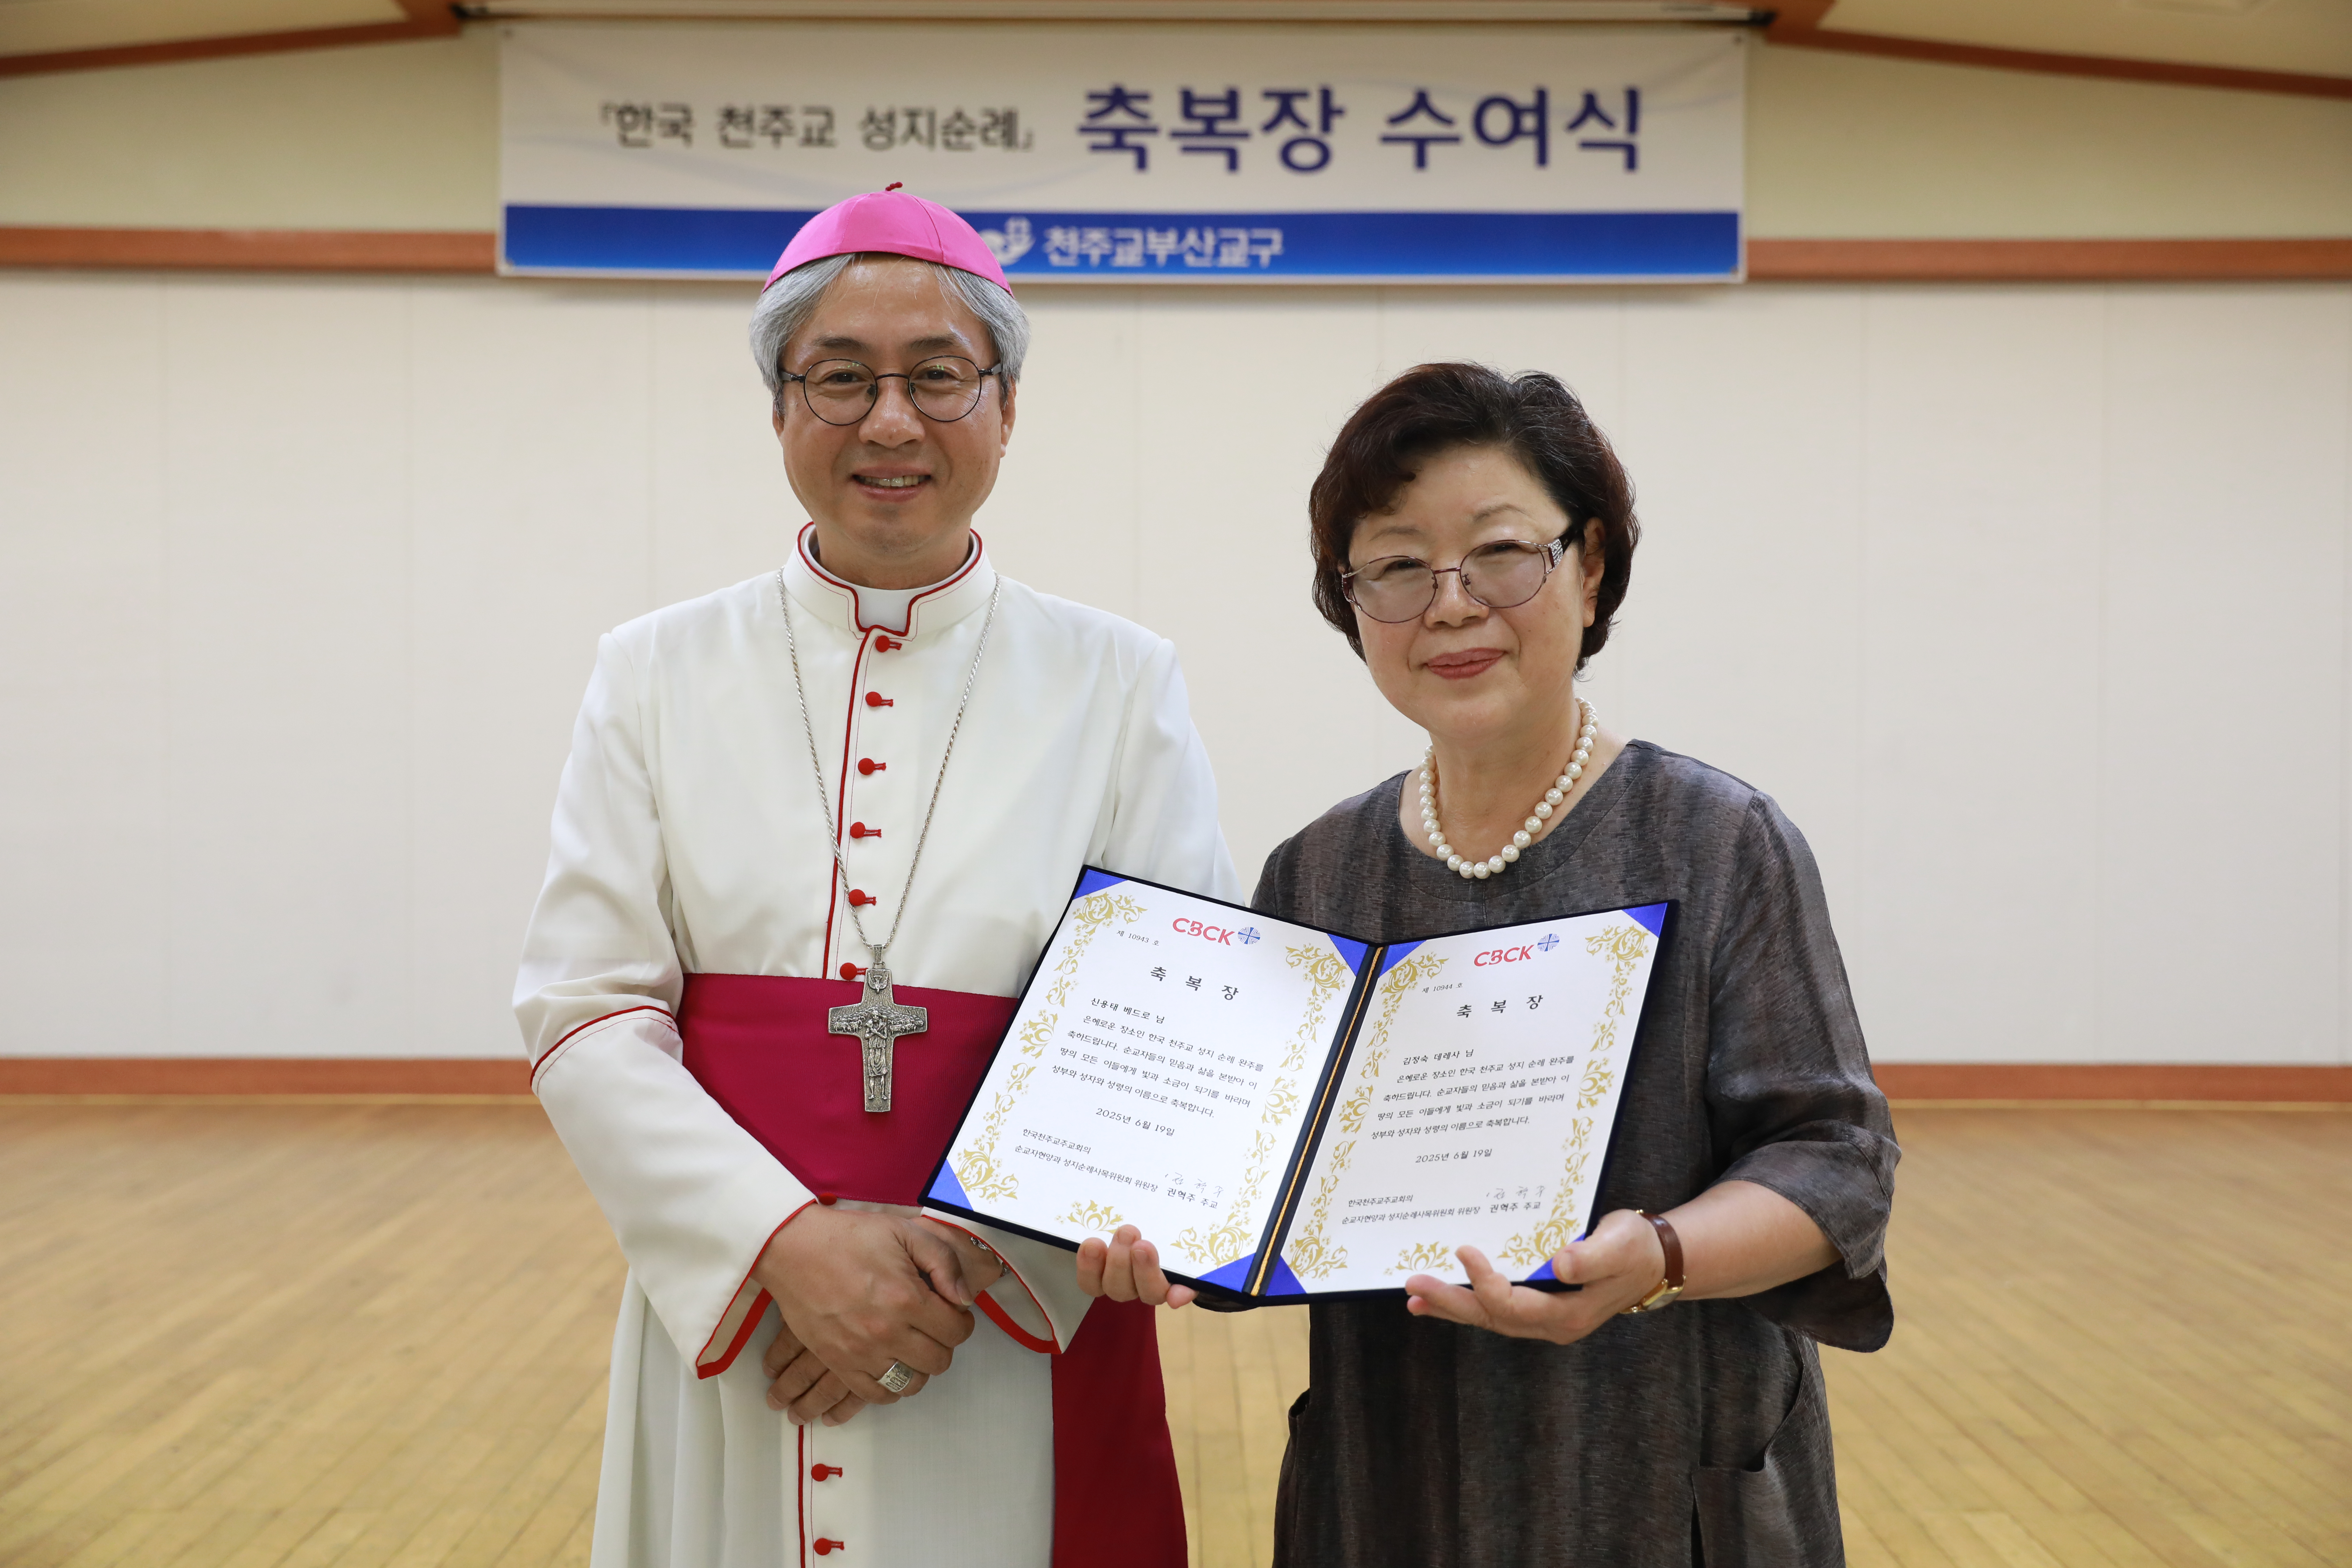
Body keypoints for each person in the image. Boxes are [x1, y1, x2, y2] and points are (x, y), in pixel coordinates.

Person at [514, 187, 1236, 1568]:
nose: (889, 421)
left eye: (937, 378)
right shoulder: (654, 672)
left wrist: (957, 1277)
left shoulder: (1119, 679)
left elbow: (1177, 1022)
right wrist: (780, 1241)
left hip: (1013, 1330)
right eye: (839, 379)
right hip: (740, 1321)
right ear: (780, 407)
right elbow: (583, 1004)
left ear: (1006, 409)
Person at [1091, 362, 1900, 1563]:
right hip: (1390, 1466)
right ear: (1352, 602)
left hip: (1659, 1462)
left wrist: (1661, 1257)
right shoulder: (1318, 873)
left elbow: (1839, 1166)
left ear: (1591, 565)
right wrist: (1160, 1224)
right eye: (1398, 565)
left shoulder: (1718, 841)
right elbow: (1266, 1187)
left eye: (1501, 553)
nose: (1451, 605)